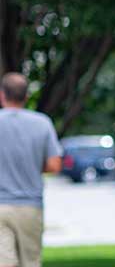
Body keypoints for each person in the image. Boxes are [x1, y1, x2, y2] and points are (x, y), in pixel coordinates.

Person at [0, 72, 63, 267]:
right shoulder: (42, 123)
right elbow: (55, 165)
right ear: (26, 96)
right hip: (31, 205)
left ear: (2, 95)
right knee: (31, 262)